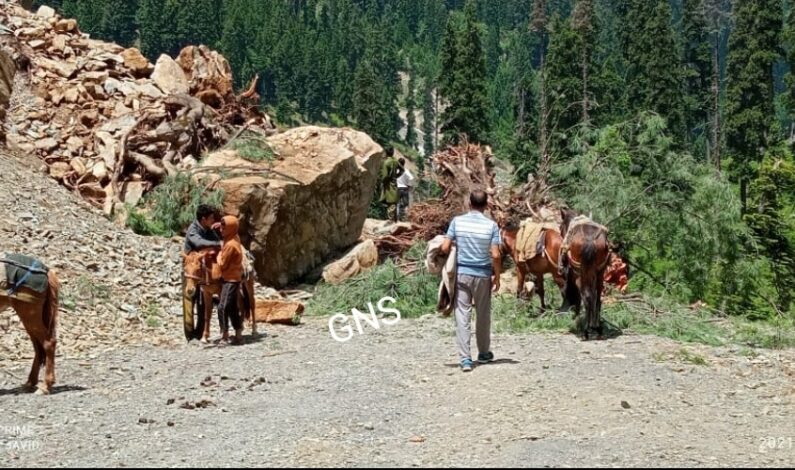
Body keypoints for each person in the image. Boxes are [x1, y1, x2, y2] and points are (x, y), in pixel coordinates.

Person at [441, 190, 502, 372]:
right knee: (483, 314)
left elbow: (444, 247)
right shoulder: (491, 226)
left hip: (462, 274)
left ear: (469, 203)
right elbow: (496, 254)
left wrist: (453, 247)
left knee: (462, 314)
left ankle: (465, 359)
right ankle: (483, 353)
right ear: (486, 205)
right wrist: (497, 276)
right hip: (483, 275)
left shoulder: (457, 222)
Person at [213, 215, 245, 345]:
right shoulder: (234, 237)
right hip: (234, 278)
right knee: (232, 307)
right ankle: (238, 334)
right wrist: (219, 225)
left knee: (222, 307)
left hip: (230, 280)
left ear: (230, 229)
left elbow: (222, 264)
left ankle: (225, 335)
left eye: (224, 228)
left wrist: (219, 255)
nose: (221, 230)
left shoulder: (230, 245)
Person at [379, 148, 405, 223]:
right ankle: (394, 221)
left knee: (390, 202)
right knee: (393, 202)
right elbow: (402, 170)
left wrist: (383, 182)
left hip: (388, 184)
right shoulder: (395, 161)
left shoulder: (386, 162)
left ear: (386, 153)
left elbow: (384, 176)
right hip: (394, 183)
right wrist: (396, 176)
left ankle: (391, 222)